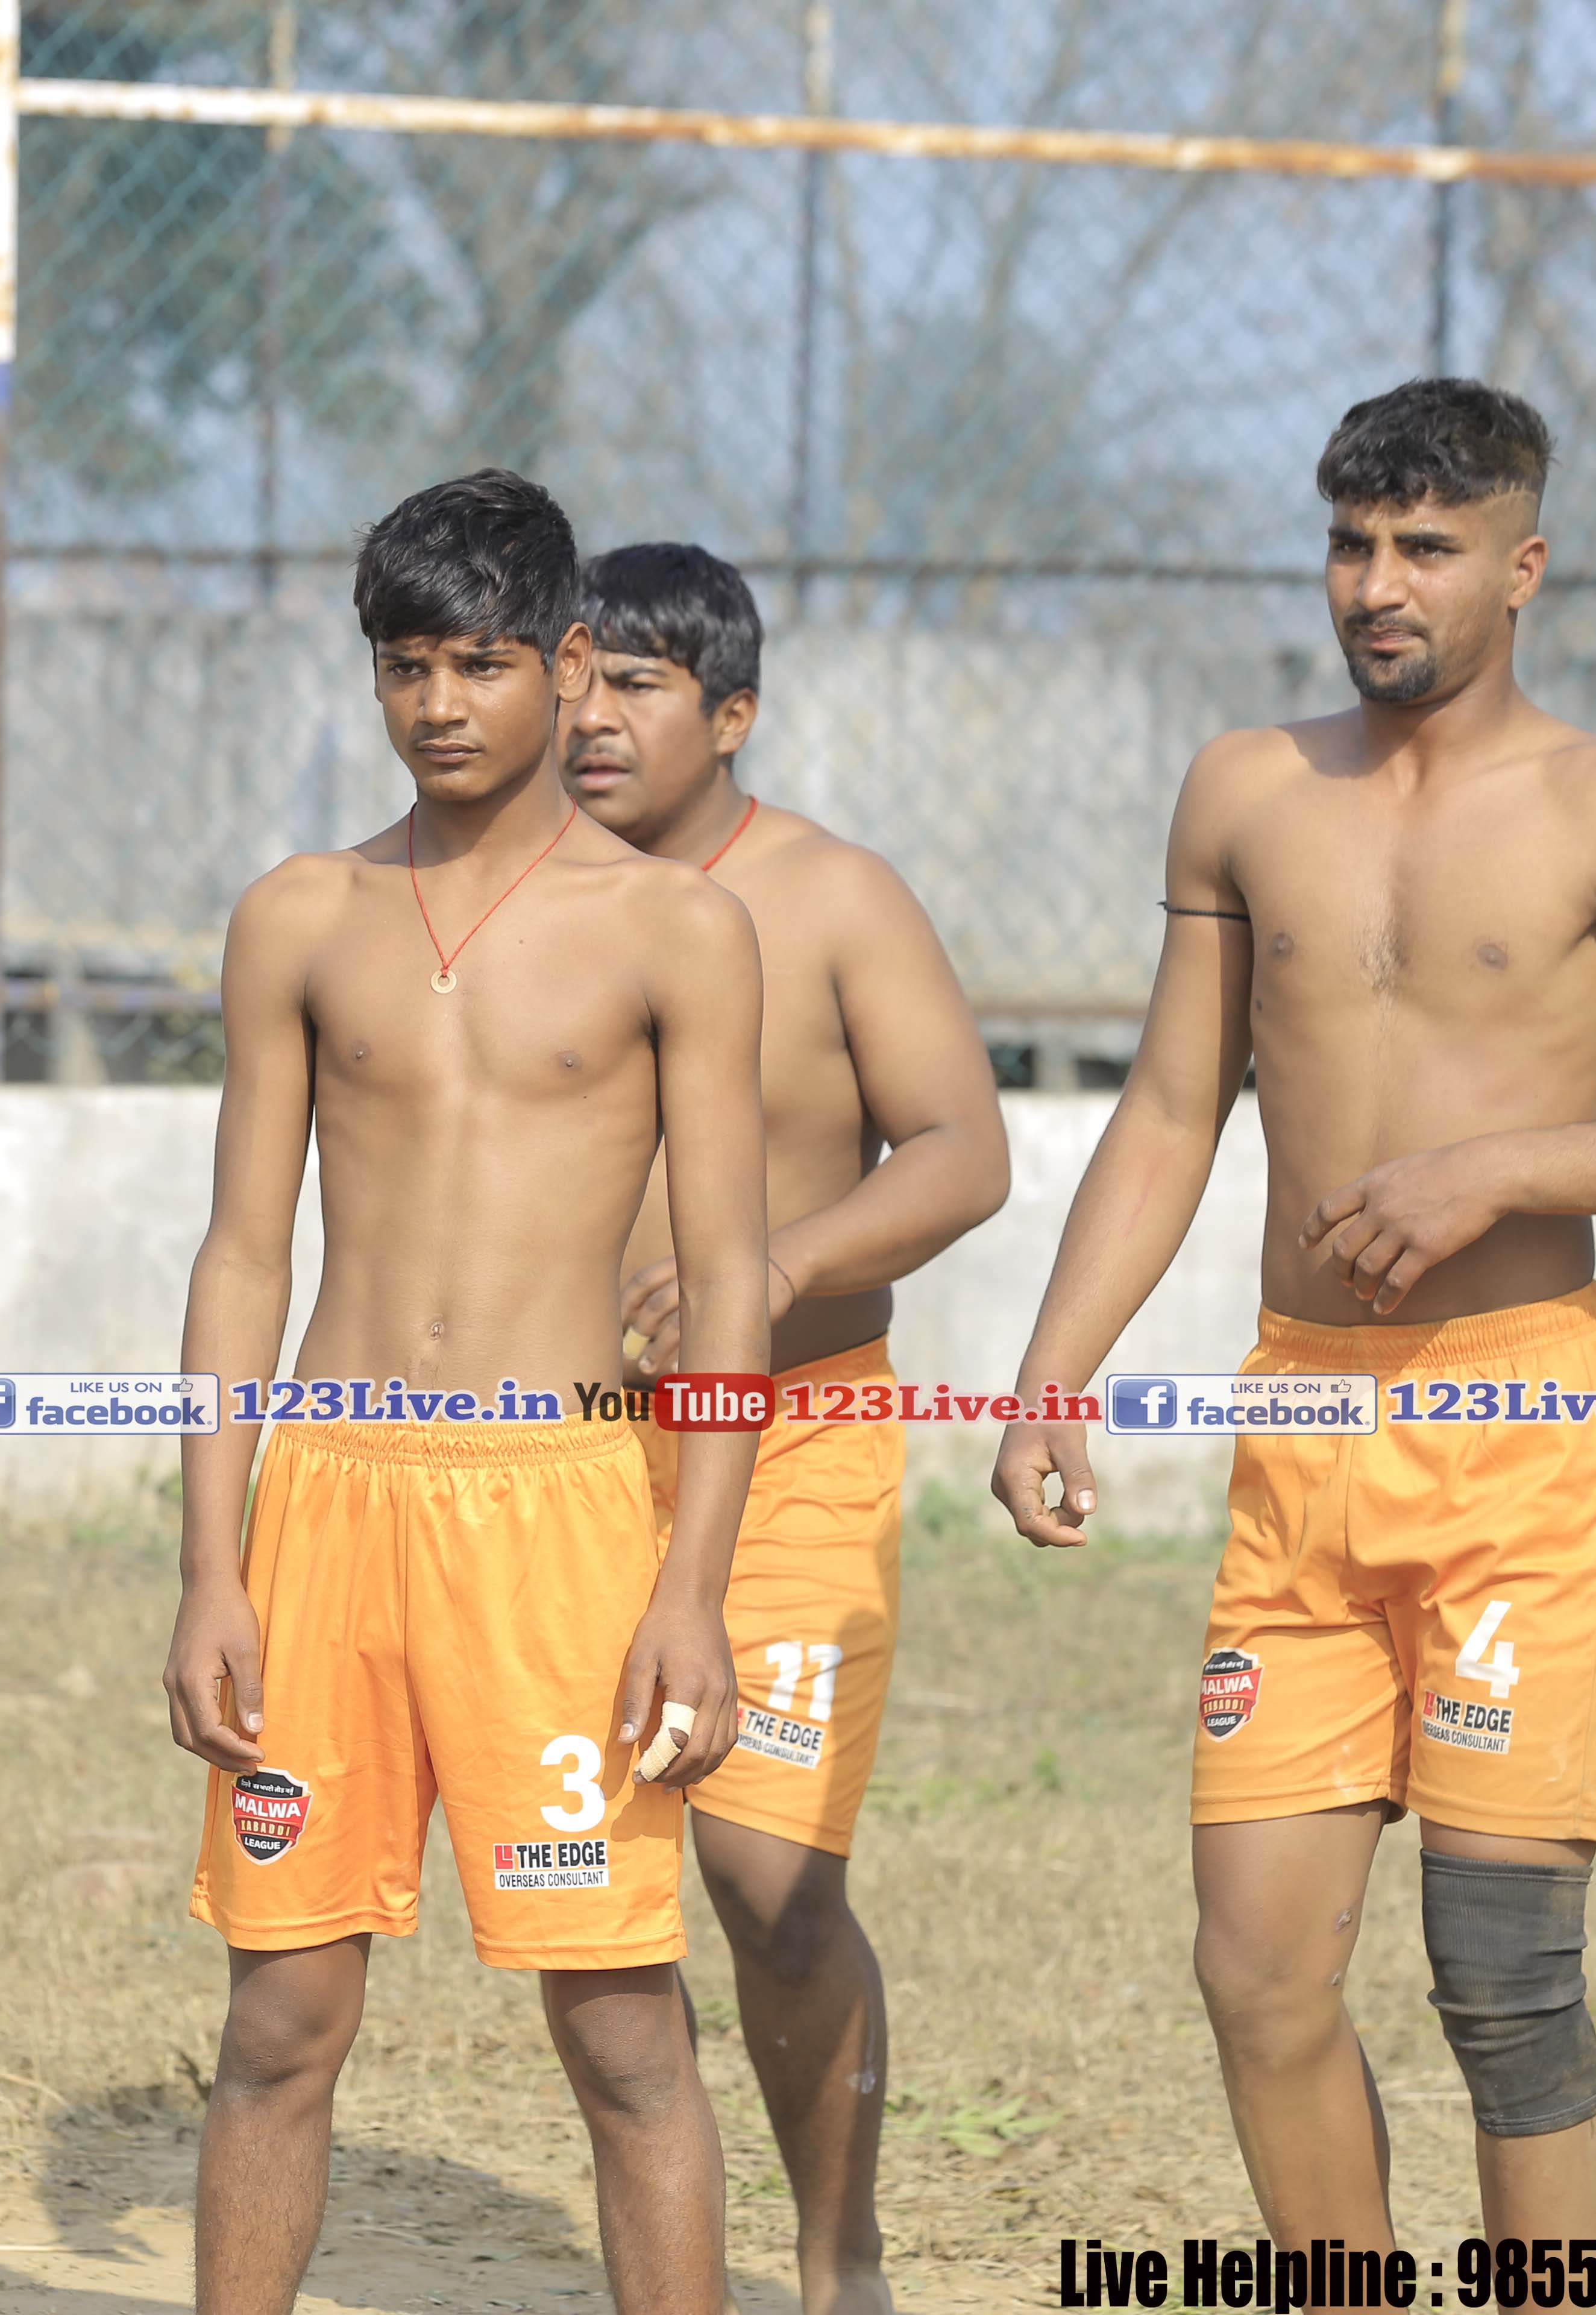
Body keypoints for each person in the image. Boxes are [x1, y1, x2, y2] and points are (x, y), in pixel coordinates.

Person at [993, 380, 1596, 2241]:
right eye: (1351, 544)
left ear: (1521, 569)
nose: (1377, 585)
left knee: (1503, 1976)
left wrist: (1507, 1170)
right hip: (1302, 1419)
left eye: (1427, 549)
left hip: (1519, 1428)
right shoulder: (1245, 789)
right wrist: (1052, 1371)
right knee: (1256, 1971)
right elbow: (1172, 1106)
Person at [163, 470, 770, 2315]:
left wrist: (692, 1589)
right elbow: (243, 1257)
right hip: (328, 1508)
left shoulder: (675, 930)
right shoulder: (300, 915)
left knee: (624, 2032)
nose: (439, 703)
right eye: (404, 665)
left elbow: (731, 1280)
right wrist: (210, 1568)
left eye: (482, 663)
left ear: (569, 667)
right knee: (281, 2018)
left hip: (562, 1516)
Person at [569, 543, 1008, 2315]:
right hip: (571, 1451)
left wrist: (773, 1266)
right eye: (577, 680)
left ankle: (841, 2258)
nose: (595, 720)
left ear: (733, 713)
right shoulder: (518, 898)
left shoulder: (832, 897)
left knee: (767, 1881)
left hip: (799, 1438)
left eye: (641, 686)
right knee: (589, 1890)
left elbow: (964, 1151)